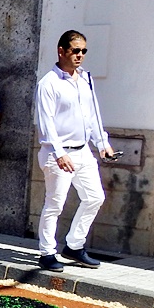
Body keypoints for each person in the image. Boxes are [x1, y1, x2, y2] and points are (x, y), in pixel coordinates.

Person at [35, 29, 115, 272]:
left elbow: (91, 116)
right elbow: (46, 121)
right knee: (55, 204)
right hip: (56, 152)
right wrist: (60, 153)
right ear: (62, 51)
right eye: (75, 50)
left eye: (83, 51)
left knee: (95, 197)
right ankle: (47, 252)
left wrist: (102, 143)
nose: (80, 55)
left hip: (82, 152)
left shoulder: (85, 79)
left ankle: (74, 245)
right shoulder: (48, 83)